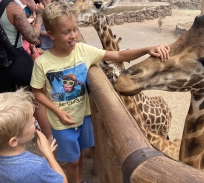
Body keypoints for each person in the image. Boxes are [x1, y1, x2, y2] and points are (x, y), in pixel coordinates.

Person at [30, 2, 170, 183]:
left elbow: (118, 56)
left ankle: (79, 180)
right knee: (71, 162)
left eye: (75, 29)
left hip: (83, 118)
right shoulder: (43, 63)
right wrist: (58, 111)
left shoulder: (83, 51)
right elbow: (37, 93)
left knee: (79, 154)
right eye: (66, 32)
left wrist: (147, 49)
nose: (73, 36)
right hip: (61, 123)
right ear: (51, 34)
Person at [0, 88, 68, 183]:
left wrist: (43, 158)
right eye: (31, 123)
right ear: (14, 141)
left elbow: (26, 169)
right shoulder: (38, 166)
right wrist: (49, 155)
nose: (34, 119)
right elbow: (63, 181)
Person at [0, 0, 44, 93]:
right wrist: (39, 15)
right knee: (35, 93)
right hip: (16, 60)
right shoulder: (13, 8)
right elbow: (33, 37)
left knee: (7, 101)